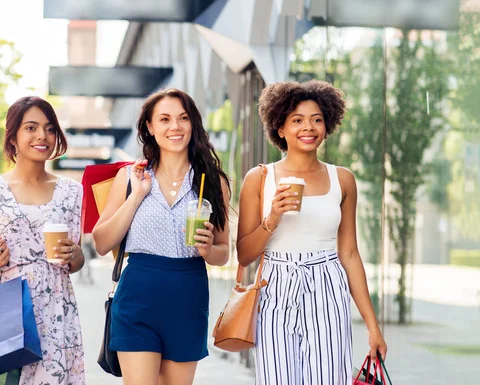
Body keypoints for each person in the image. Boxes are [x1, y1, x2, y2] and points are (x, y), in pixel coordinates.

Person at [237, 80, 387, 385]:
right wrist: (273, 216)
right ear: (280, 128)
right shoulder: (259, 178)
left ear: (327, 125)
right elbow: (244, 253)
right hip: (274, 286)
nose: (309, 127)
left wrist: (373, 326)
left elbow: (350, 254)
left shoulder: (342, 180)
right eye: (297, 120)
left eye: (316, 119)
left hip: (327, 285)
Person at [93, 88, 230, 385]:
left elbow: (223, 253)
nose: (175, 127)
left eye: (183, 118)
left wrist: (208, 249)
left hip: (188, 296)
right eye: (165, 119)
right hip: (137, 296)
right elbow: (102, 242)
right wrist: (137, 195)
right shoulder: (130, 177)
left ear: (193, 124)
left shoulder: (212, 181)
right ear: (150, 128)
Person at [0, 96, 86, 384]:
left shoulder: (72, 192)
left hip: (57, 310)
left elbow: (77, 258)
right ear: (13, 137)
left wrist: (74, 256)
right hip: (7, 308)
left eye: (49, 129)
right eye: (31, 128)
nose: (42, 136)